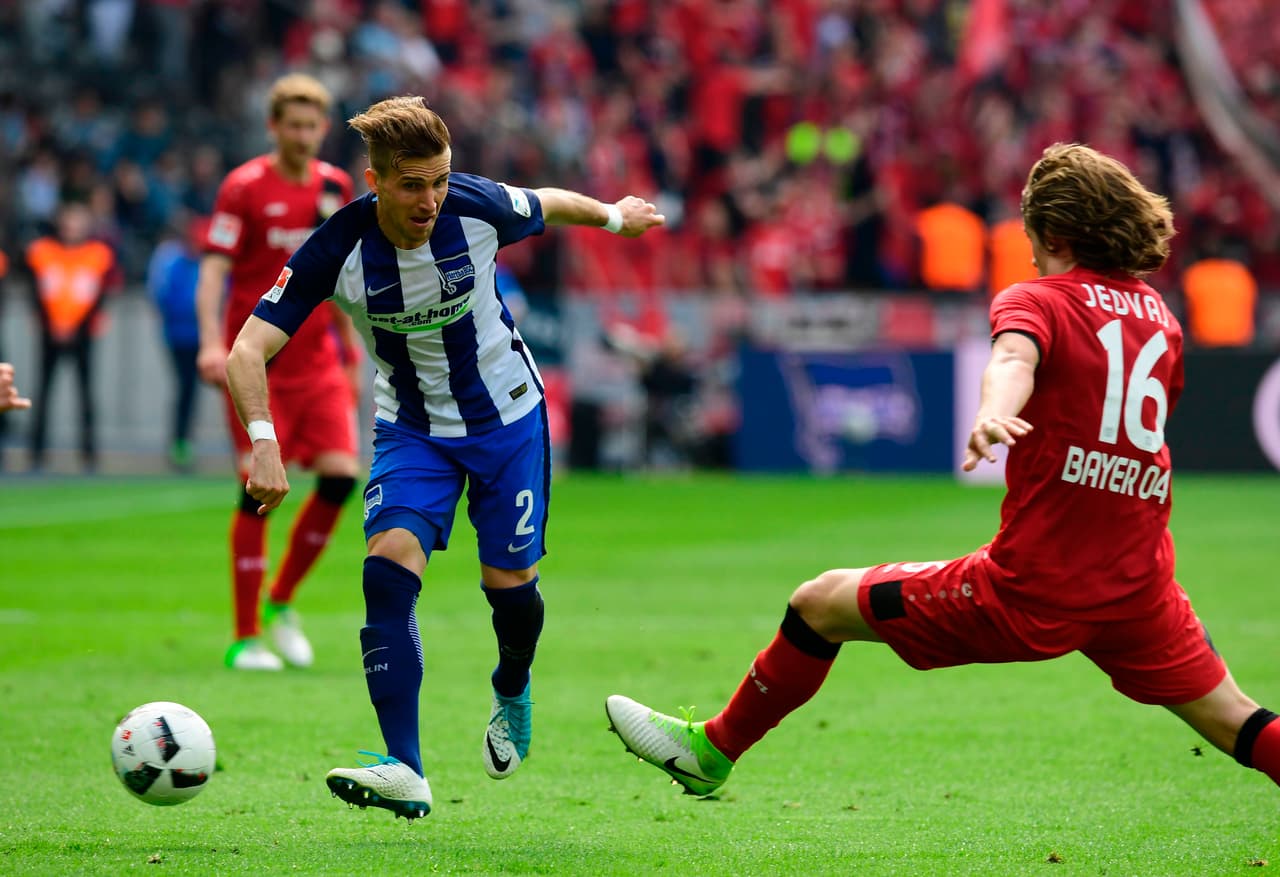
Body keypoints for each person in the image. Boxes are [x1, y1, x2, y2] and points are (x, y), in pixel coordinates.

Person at [606, 143, 1280, 801]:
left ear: (1054, 234)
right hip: (1138, 588)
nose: (1030, 253)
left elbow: (1013, 360)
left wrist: (994, 411)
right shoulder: (1160, 319)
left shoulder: (1038, 299)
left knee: (819, 603)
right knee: (1237, 720)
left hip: (1032, 588)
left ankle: (711, 751)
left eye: (1032, 236)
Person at [224, 95, 664, 821]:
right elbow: (246, 349)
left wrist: (616, 216)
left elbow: (550, 202)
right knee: (386, 568)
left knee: (509, 587)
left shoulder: (476, 206)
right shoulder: (337, 247)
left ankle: (512, 685)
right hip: (413, 429)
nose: (429, 200)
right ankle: (405, 766)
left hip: (508, 418)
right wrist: (264, 445)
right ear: (374, 181)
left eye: (439, 181)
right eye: (411, 185)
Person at [195, 73, 361, 672]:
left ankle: (282, 600)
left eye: (312, 125)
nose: (302, 135)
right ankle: (245, 637)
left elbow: (340, 276)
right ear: (273, 127)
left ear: (323, 128)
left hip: (318, 360)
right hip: (257, 362)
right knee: (258, 489)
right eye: (292, 124)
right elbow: (214, 269)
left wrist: (351, 350)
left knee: (341, 478)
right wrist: (211, 343)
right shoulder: (243, 188)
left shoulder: (335, 187)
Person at [26, 201, 117, 471]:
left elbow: (100, 294)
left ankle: (88, 451)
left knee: (85, 392)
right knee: (43, 390)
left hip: (81, 333)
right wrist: (48, 323)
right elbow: (36, 291)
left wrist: (78, 326)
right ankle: (36, 450)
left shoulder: (97, 254)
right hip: (50, 332)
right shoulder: (43, 251)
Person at [148, 213, 208, 470]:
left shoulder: (204, 263)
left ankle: (183, 441)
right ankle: (180, 442)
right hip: (179, 335)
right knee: (185, 388)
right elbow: (162, 296)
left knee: (189, 390)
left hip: (201, 335)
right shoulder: (172, 260)